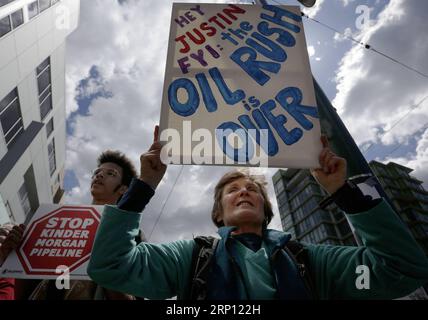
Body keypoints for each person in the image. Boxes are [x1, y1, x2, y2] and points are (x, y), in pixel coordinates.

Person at [87, 126, 428, 300]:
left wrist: (343, 192)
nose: (245, 191)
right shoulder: (190, 256)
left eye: (252, 189)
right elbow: (110, 267)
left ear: (265, 209)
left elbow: (403, 269)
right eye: (232, 190)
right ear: (218, 213)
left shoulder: (310, 260)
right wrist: (144, 185)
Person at [2, 150, 143, 300]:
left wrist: (104, 268)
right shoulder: (60, 225)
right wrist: (14, 255)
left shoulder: (131, 236)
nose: (99, 175)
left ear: (123, 188)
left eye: (111, 174)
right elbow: (25, 292)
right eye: (98, 172)